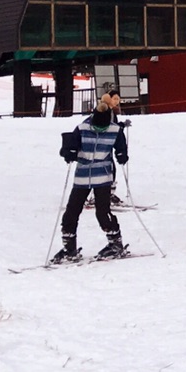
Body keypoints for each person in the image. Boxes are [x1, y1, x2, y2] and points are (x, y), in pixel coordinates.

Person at [55, 86, 130, 263]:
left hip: (102, 177)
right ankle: (69, 248)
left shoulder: (114, 129)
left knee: (102, 213)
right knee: (71, 212)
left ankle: (115, 243)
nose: (101, 129)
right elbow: (68, 147)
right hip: (82, 176)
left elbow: (121, 147)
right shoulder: (82, 128)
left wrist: (122, 155)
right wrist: (68, 152)